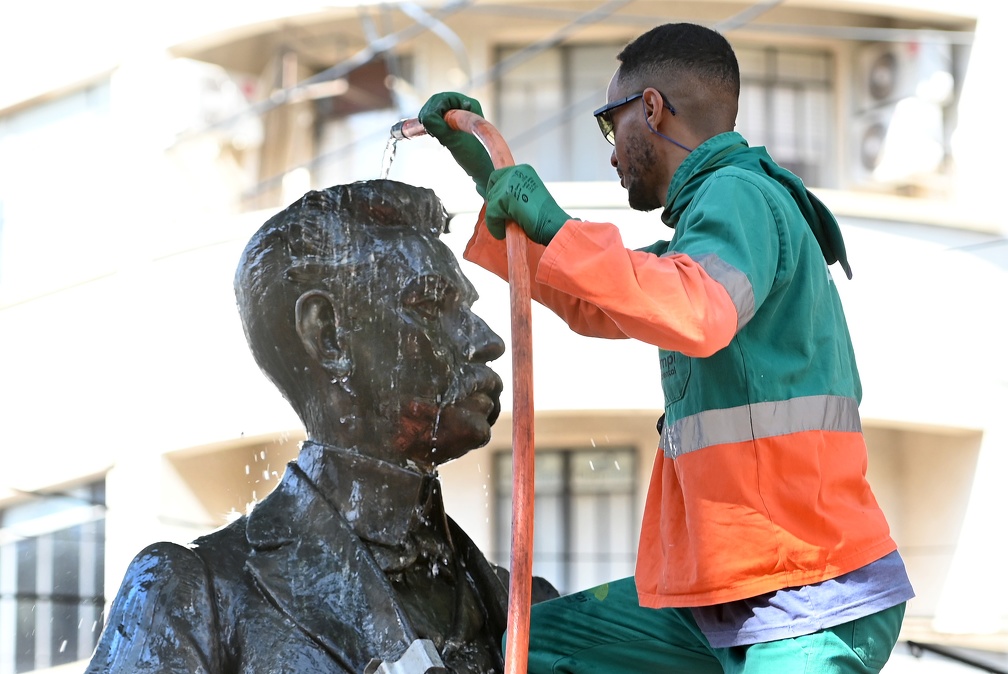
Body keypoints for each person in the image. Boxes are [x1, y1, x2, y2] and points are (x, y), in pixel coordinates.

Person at [419, 21, 914, 674]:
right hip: (725, 595)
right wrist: (499, 198)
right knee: (520, 648)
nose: (613, 153)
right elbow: (606, 299)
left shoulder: (738, 195)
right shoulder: (717, 223)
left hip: (809, 595)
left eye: (611, 125)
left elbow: (695, 309)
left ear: (649, 110)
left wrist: (559, 226)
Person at [85, 180, 555, 674]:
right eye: (432, 307)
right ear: (327, 334)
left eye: (469, 310)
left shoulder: (528, 608)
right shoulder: (190, 594)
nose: (487, 340)